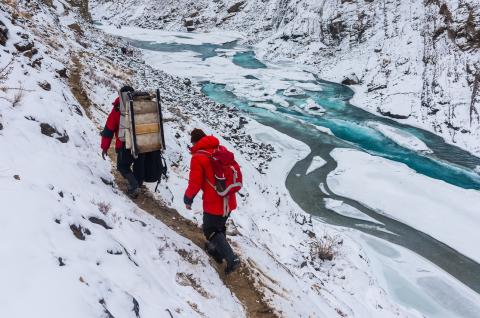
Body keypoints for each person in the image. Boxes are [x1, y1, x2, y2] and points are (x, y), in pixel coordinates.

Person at [184, 129, 240, 274]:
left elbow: (195, 183)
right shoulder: (221, 148)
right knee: (219, 227)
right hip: (229, 197)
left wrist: (188, 198)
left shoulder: (198, 157)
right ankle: (217, 252)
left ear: (195, 142)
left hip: (214, 201)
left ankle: (231, 259)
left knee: (210, 230)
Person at [101, 85, 144, 198]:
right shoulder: (141, 105)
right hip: (143, 142)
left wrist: (105, 147)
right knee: (138, 164)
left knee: (122, 166)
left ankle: (134, 186)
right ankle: (137, 183)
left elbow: (108, 130)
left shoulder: (118, 108)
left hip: (125, 144)